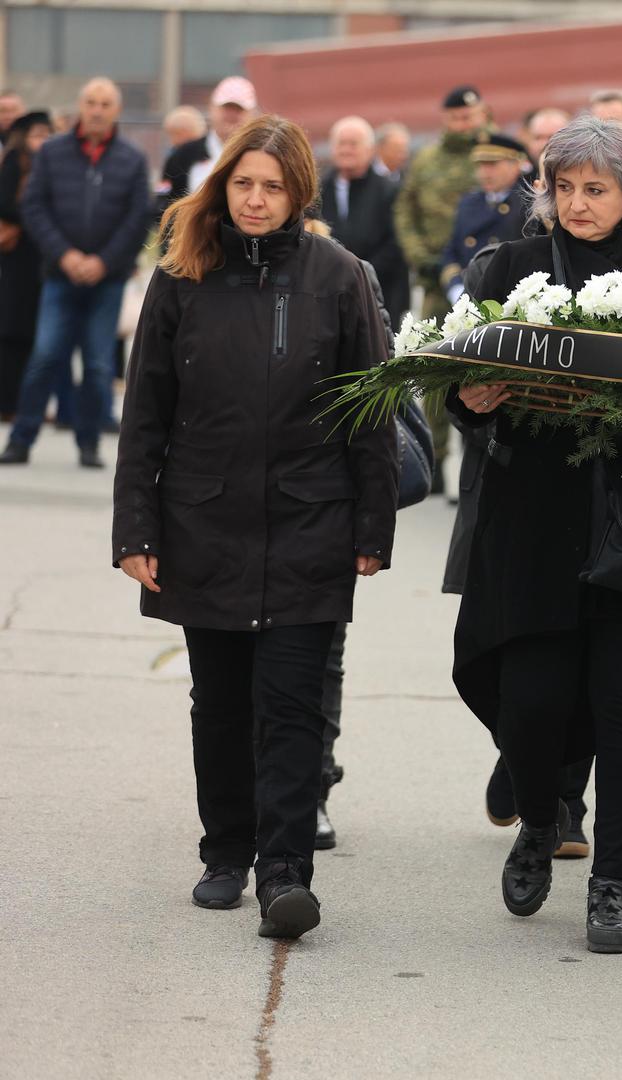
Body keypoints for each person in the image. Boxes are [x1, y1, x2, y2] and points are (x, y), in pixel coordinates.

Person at [112, 115, 399, 939]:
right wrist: (136, 529)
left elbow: (371, 409)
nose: (256, 199)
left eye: (272, 186)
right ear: (223, 185)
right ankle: (225, 853)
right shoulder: (183, 273)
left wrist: (372, 524)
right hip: (203, 519)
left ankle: (284, 875)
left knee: (293, 704)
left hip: (312, 518)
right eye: (243, 183)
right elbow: (146, 411)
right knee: (221, 703)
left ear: (299, 192)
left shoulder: (339, 275)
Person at [446, 116, 622, 955]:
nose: (577, 203)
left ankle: (611, 882)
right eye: (563, 188)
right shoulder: (511, 265)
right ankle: (539, 822)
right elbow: (463, 377)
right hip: (534, 519)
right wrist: (469, 399)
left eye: (595, 189)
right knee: (531, 702)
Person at [1, 78, 150, 468]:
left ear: (117, 110)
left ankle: (89, 442)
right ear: (81, 107)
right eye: (91, 103)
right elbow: (34, 207)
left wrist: (104, 261)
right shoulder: (53, 153)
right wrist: (65, 255)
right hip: (59, 276)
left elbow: (138, 217)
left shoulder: (132, 159)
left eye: (105, 104)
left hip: (107, 280)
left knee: (99, 364)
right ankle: (21, 439)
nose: (97, 110)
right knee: (45, 356)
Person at [396, 85, 489, 488]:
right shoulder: (427, 160)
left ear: (482, 114)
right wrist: (421, 257)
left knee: (482, 365)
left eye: (469, 116)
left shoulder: (494, 154)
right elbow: (406, 210)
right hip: (436, 278)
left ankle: (480, 449)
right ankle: (435, 456)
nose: (463, 124)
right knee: (434, 367)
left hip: (485, 279)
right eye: (456, 118)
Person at [320, 115, 411, 330]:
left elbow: (397, 243)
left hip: (380, 293)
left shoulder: (389, 190)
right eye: (341, 143)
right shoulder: (318, 190)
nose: (346, 150)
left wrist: (358, 274)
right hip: (328, 293)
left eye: (353, 144)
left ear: (370, 150)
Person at [0, 111, 53, 421]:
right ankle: (8, 402)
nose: (42, 141)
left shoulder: (51, 165)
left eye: (47, 134)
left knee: (37, 333)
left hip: (42, 254)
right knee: (14, 329)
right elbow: (4, 203)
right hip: (18, 255)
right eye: (36, 135)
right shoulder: (14, 161)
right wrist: (35, 216)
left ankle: (29, 403)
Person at [440, 132, 532, 304]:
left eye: (492, 165)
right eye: (480, 165)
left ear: (515, 166)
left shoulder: (527, 203)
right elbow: (452, 250)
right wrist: (455, 287)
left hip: (508, 297)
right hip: (466, 291)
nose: (484, 172)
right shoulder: (468, 202)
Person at [155, 77, 258, 220]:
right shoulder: (183, 155)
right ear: (211, 108)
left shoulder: (262, 157)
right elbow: (164, 206)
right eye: (226, 108)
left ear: (251, 114)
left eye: (238, 110)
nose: (231, 115)